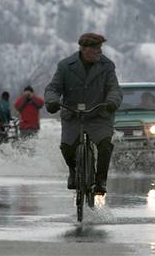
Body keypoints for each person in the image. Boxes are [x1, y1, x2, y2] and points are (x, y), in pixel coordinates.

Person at [44, 32, 123, 195]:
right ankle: (74, 172)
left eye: (100, 48)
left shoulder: (107, 66)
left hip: (99, 114)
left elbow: (114, 88)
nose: (100, 52)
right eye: (96, 49)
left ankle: (100, 181)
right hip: (73, 115)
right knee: (66, 147)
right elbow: (53, 88)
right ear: (84, 49)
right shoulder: (65, 66)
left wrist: (111, 102)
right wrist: (52, 102)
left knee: (105, 146)